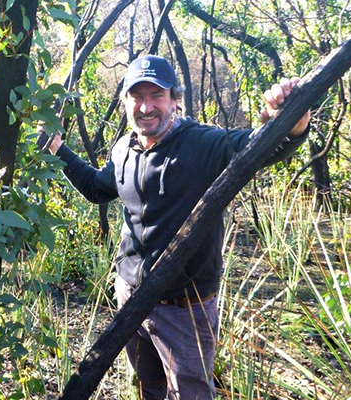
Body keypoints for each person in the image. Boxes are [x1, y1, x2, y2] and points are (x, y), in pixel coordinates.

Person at [41, 55, 310, 399]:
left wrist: (292, 121)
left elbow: (262, 147)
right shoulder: (124, 149)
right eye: (136, 96)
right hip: (129, 297)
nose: (146, 106)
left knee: (190, 394)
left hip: (184, 308)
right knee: (149, 388)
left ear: (175, 99)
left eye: (157, 95)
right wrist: (58, 149)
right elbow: (97, 188)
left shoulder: (204, 144)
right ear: (124, 102)